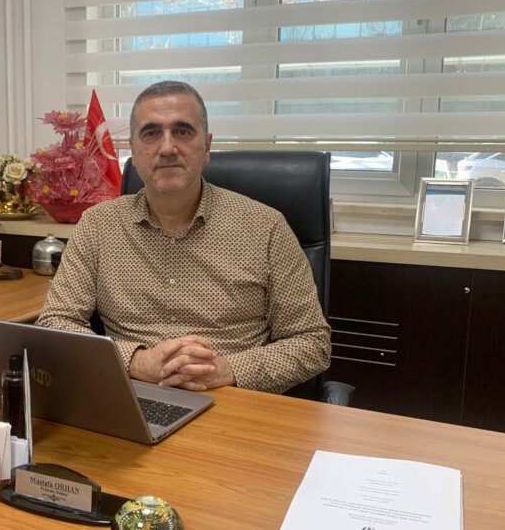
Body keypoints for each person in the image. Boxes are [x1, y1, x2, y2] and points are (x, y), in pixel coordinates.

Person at [36, 81, 331, 395]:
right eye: (151, 133)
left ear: (207, 146)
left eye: (183, 131)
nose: (167, 148)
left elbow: (312, 342)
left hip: (234, 401)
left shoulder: (265, 227)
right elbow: (55, 323)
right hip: (129, 397)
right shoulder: (98, 225)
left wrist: (225, 370)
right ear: (133, 150)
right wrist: (135, 361)